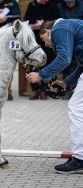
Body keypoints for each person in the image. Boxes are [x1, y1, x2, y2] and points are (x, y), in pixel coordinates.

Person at [26, 19, 83, 174]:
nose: (47, 45)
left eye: (44, 40)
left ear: (48, 31)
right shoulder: (71, 28)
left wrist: (40, 75)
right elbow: (82, 65)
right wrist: (66, 82)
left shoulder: (60, 28)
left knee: (76, 108)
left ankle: (79, 159)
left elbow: (64, 58)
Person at [24, 0, 59, 100]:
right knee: (32, 65)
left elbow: (57, 22)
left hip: (48, 40)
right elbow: (26, 22)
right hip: (34, 40)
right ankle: (34, 89)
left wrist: (44, 25)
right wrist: (34, 26)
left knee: (48, 64)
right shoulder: (32, 5)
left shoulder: (53, 6)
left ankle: (45, 89)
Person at [57, 0, 83, 99]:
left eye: (71, 1)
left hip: (78, 40)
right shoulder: (59, 7)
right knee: (66, 64)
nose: (70, 3)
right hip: (66, 40)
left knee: (78, 64)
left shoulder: (82, 5)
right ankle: (67, 90)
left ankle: (77, 89)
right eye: (67, 2)